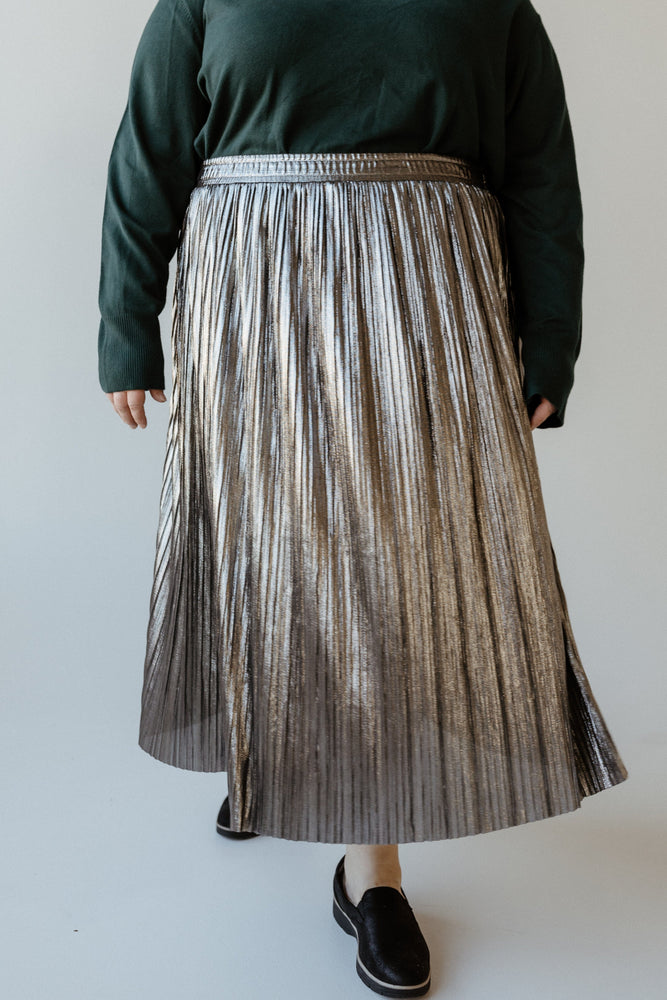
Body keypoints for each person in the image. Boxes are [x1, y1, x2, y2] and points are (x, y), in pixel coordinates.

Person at [97, 2, 628, 996]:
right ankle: (265, 756)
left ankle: (368, 866)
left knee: (391, 573)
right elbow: (151, 147)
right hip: (251, 294)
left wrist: (547, 335)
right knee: (265, 543)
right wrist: (126, 321)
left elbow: (538, 167)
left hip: (426, 305)